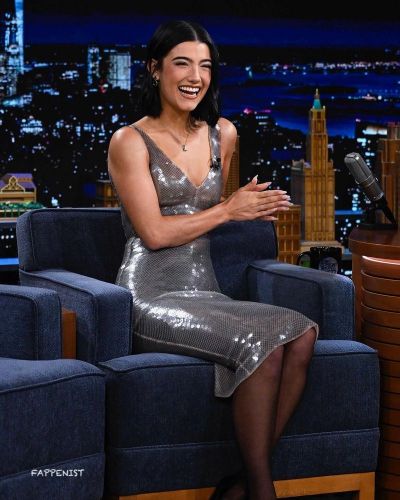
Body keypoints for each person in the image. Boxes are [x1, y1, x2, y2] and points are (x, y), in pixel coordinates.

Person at [107, 19, 318, 500]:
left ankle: (239, 485)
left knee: (303, 333)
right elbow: (155, 233)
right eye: (182, 63)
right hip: (150, 293)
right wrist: (228, 210)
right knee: (261, 343)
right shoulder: (129, 141)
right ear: (155, 69)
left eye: (205, 66)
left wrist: (251, 209)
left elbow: (219, 213)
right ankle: (261, 490)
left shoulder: (224, 133)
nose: (195, 77)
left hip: (205, 288)